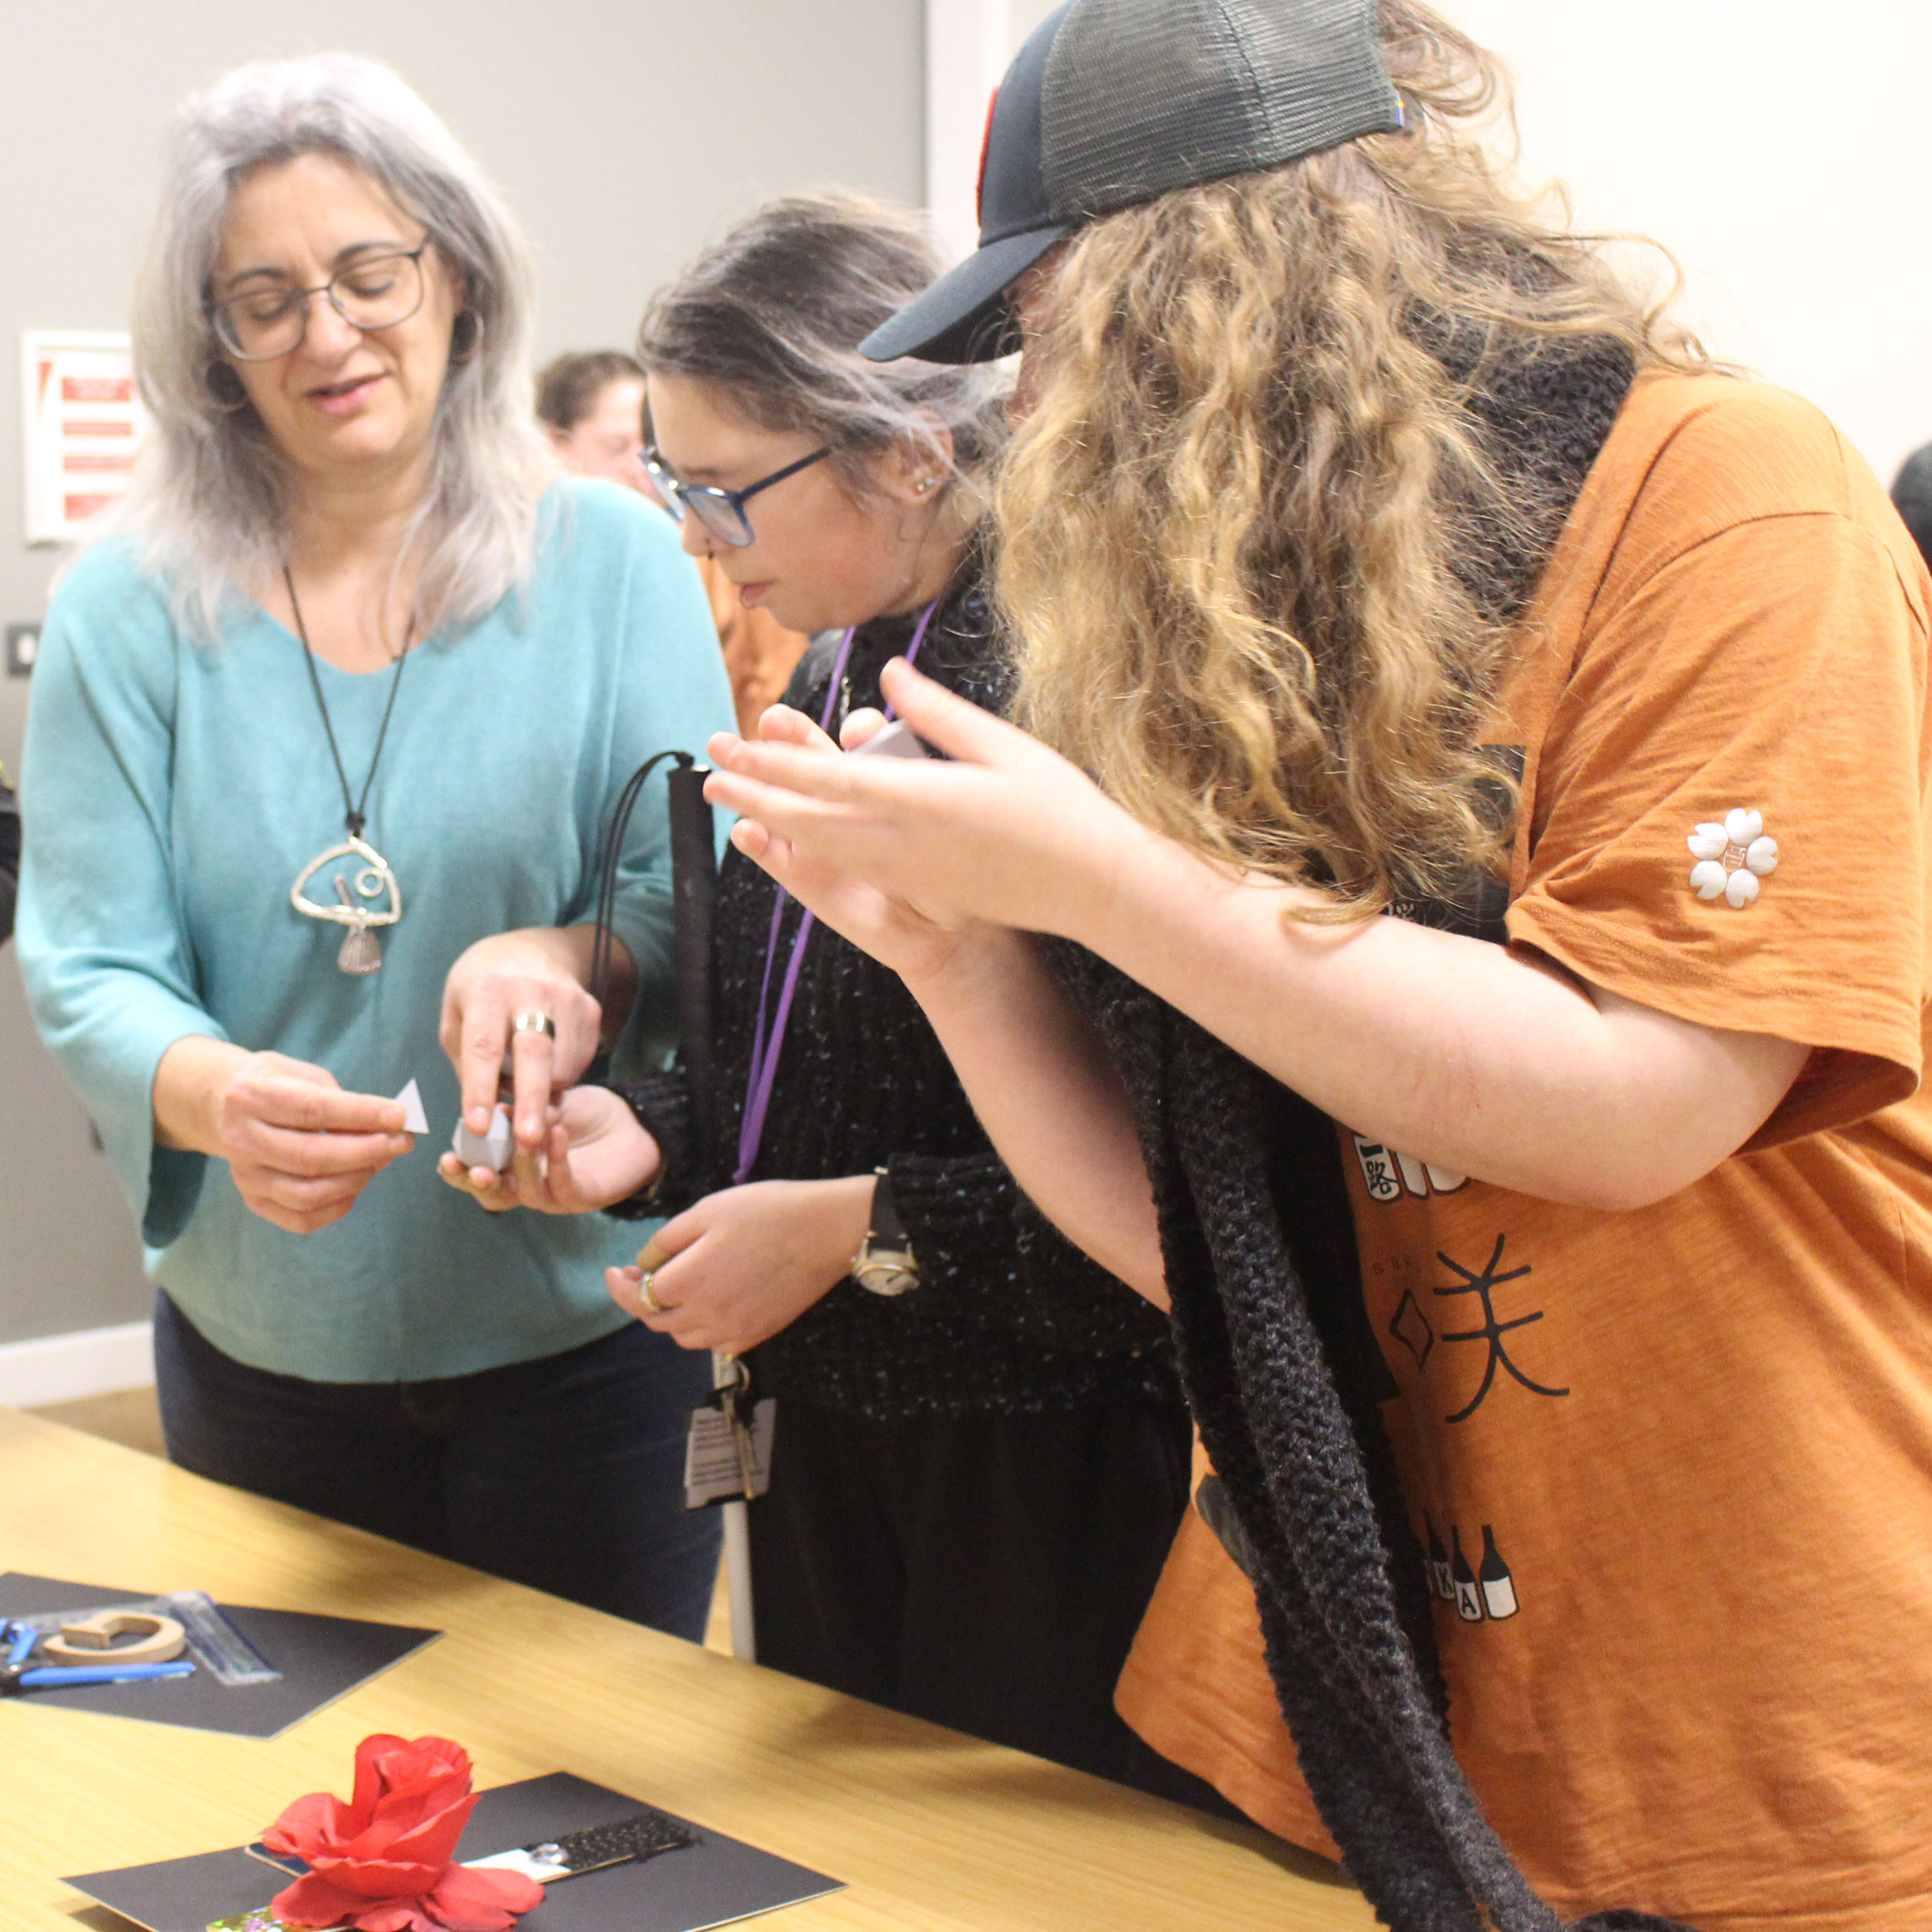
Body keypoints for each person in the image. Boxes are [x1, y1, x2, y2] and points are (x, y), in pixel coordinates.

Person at [700, 3, 1932, 1928]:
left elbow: (1641, 1103)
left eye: (1053, 328)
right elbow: (1223, 1245)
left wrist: (1104, 880)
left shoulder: (1732, 497)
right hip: (1379, 1677)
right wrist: (957, 959)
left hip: (1769, 1671)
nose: (1037, 401)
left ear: (1224, 277)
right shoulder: (1257, 627)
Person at [441, 194, 1197, 1791]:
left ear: (911, 445)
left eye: (723, 493)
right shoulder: (847, 658)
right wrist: (645, 1131)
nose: (705, 543)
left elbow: (1188, 1213)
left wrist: (862, 1227)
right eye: (674, 491)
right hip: (839, 1420)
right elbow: (801, 1056)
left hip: (1046, 1455)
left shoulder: (1077, 688)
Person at [16, 54, 733, 1640]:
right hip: (267, 1355)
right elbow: (90, 958)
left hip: (587, 1343)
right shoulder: (126, 610)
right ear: (212, 340)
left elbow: (692, 894)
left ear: (457, 275)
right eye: (263, 297)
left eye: (367, 272)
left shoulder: (611, 558)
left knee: (602, 1828)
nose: (327, 333)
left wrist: (567, 958)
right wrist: (216, 1095)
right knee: (295, 1823)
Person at [536, 348, 809, 735]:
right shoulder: (526, 565)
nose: (636, 470)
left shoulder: (721, 559)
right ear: (555, 443)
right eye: (615, 448)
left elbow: (768, 691)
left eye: (649, 453)